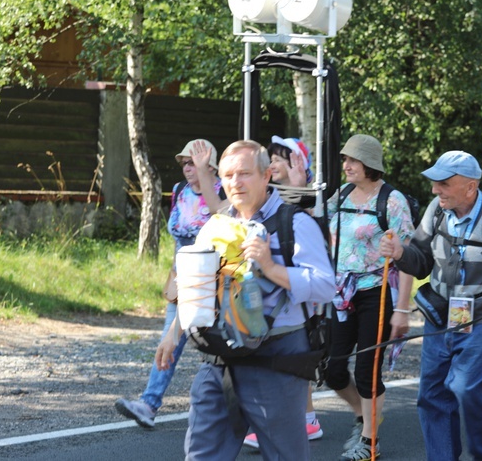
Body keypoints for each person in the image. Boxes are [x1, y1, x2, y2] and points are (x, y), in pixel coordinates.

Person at [155, 139, 335, 460]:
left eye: (245, 173)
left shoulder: (294, 223)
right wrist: (173, 333)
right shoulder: (215, 226)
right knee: (201, 455)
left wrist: (270, 267)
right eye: (228, 175)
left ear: (266, 176)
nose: (235, 182)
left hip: (277, 360)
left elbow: (324, 287)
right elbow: (198, 287)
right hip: (219, 360)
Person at [380, 150, 482, 461]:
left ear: (471, 186)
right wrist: (400, 253)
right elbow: (422, 262)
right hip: (440, 316)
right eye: (435, 183)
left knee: (465, 387)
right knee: (432, 396)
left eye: (444, 183)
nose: (435, 190)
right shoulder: (435, 211)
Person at [115, 139, 226, 428]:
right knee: (170, 339)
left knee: (220, 347)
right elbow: (177, 238)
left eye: (193, 163)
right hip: (183, 278)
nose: (187, 169)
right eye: (185, 164)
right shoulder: (179, 191)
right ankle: (149, 404)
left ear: (210, 166)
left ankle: (238, 412)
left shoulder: (224, 192)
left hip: (214, 280)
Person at [326, 134, 415, 461]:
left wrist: (401, 310)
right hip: (341, 294)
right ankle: (365, 415)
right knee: (332, 369)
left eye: (353, 160)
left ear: (370, 165)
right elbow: (316, 217)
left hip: (377, 294)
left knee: (367, 370)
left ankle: (369, 440)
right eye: (345, 159)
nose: (346, 165)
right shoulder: (343, 193)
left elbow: (407, 259)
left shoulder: (393, 201)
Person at [243, 136, 323, 448]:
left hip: (299, 286)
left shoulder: (303, 198)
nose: (274, 164)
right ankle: (306, 419)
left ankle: (296, 421)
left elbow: (308, 206)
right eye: (271, 159)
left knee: (294, 353)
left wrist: (302, 177)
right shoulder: (265, 196)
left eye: (282, 159)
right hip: (271, 288)